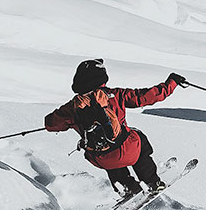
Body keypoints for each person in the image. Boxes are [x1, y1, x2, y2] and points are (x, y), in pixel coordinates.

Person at [45, 59, 186, 198]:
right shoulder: (115, 95)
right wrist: (172, 82)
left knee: (107, 152)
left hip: (98, 159)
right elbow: (147, 96)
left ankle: (126, 186)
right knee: (137, 139)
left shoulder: (72, 107)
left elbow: (50, 124)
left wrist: (70, 119)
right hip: (127, 150)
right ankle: (152, 182)